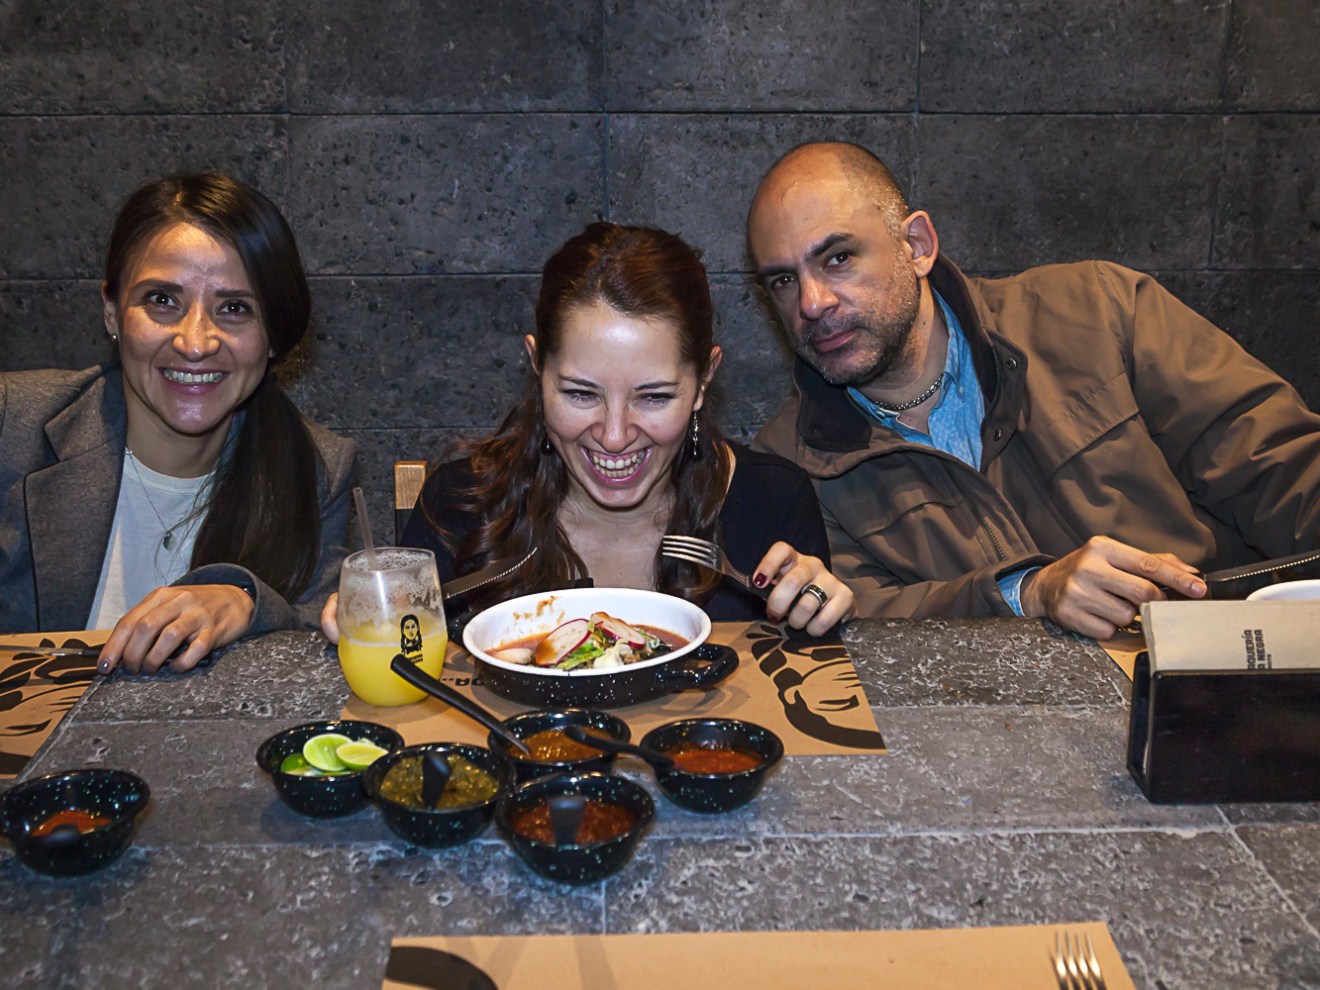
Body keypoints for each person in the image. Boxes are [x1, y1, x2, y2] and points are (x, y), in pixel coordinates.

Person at [747, 141, 1320, 639]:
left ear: (917, 245)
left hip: (1210, 681)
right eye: (783, 280)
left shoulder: (1100, 311)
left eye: (838, 258)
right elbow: (862, 626)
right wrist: (1027, 593)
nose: (812, 303)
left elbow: (1283, 468)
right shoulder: (790, 463)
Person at [323, 222, 853, 641]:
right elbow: (403, 659)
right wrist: (362, 623)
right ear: (537, 367)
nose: (616, 435)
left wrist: (816, 612)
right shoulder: (462, 502)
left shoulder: (773, 504)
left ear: (704, 378)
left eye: (653, 396)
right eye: (581, 393)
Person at [0, 172, 358, 673]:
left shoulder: (317, 469)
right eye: (162, 300)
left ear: (274, 336)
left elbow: (327, 633)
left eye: (234, 308)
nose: (195, 342)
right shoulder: (12, 425)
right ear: (111, 312)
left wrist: (245, 602)